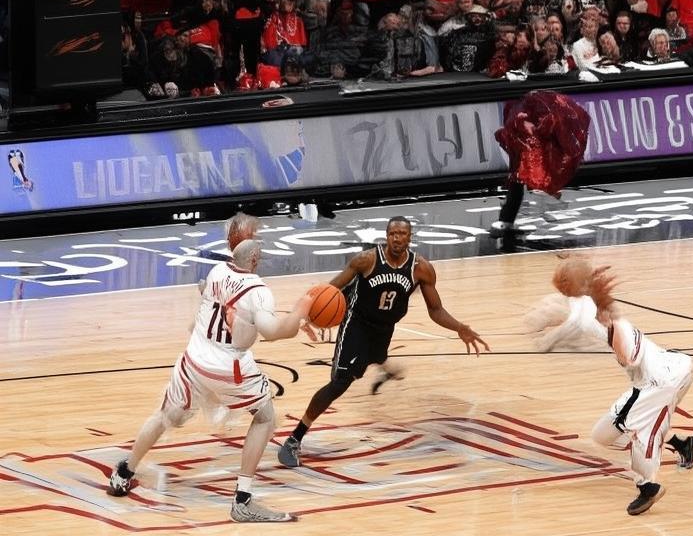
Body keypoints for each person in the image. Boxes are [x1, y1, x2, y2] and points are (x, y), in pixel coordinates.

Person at [107, 239, 313, 523]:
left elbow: (210, 295)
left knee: (164, 415)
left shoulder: (216, 271)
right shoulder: (259, 291)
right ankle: (242, 500)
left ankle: (123, 473)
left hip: (194, 359)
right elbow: (273, 331)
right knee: (265, 418)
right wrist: (301, 311)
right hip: (228, 368)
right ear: (254, 260)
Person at [278, 217, 489, 467]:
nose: (397, 238)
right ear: (386, 236)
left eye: (402, 234)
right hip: (357, 323)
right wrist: (308, 316)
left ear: (410, 237)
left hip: (385, 327)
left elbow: (435, 309)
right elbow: (329, 290)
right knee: (340, 382)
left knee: (376, 354)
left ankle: (382, 364)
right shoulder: (366, 260)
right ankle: (294, 439)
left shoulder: (421, 268)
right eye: (393, 234)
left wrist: (459, 327)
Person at [569, 262, 693, 515]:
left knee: (643, 431)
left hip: (663, 381)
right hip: (654, 378)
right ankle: (684, 445)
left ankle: (648, 487)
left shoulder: (619, 329)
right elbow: (581, 305)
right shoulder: (595, 316)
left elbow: (631, 356)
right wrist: (584, 283)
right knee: (602, 435)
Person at [491, 90, 591, 234]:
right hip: (523, 125)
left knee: (519, 175)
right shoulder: (524, 112)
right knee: (518, 175)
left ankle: (507, 219)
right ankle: (507, 219)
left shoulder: (540, 109)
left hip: (528, 121)